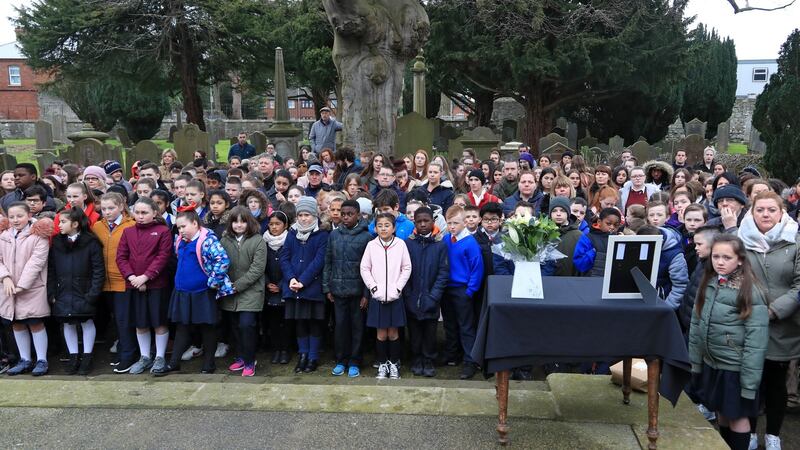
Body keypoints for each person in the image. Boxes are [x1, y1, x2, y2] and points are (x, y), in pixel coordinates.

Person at [689, 234, 768, 450]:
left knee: (738, 416)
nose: (720, 262)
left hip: (735, 367)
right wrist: (696, 362)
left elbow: (756, 340)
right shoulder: (710, 282)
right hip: (713, 363)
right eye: (716, 257)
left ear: (740, 259)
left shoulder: (750, 290)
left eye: (727, 257)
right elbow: (697, 324)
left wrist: (749, 382)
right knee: (721, 411)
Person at [738, 191, 800, 450]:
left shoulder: (795, 242)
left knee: (776, 382)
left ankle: (773, 433)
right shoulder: (740, 241)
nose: (765, 214)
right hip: (747, 321)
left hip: (782, 324)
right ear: (752, 213)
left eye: (771, 210)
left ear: (781, 212)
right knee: (750, 380)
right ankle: (750, 432)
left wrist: (774, 311)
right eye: (760, 209)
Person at [115, 197, 173, 375]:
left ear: (154, 213)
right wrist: (132, 277)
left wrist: (146, 277)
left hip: (157, 285)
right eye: (137, 212)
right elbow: (121, 257)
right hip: (133, 284)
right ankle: (145, 356)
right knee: (140, 323)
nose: (140, 216)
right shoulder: (128, 232)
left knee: (159, 321)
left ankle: (160, 357)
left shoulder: (163, 231)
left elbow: (163, 257)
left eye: (144, 212)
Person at [48, 207, 105, 375]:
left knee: (86, 322)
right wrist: (52, 293)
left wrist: (92, 294)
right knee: (67, 323)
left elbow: (98, 270)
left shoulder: (91, 242)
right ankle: (73, 356)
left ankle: (87, 356)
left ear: (75, 224)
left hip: (84, 291)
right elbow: (51, 270)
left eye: (63, 222)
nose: (59, 225)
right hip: (63, 291)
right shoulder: (57, 242)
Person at [0, 203, 54, 376]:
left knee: (35, 322)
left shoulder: (38, 236)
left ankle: (41, 359)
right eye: (12, 216)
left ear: (28, 216)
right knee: (16, 323)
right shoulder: (3, 235)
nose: (16, 220)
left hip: (31, 288)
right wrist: (5, 277)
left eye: (19, 216)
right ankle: (25, 359)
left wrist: (22, 285)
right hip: (8, 288)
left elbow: (37, 262)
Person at [359, 212, 413, 380]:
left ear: (394, 228)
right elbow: (364, 268)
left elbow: (407, 267)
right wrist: (373, 288)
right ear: (375, 228)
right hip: (378, 297)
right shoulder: (371, 245)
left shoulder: (401, 245)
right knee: (381, 334)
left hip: (395, 297)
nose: (383, 228)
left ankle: (394, 363)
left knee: (394, 333)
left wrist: (398, 288)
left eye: (387, 225)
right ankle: (382, 363)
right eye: (380, 226)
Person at [323, 200, 371, 378]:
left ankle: (355, 361)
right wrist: (327, 287)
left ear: (358, 215)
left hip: (358, 292)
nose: (345, 217)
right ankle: (341, 360)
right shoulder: (334, 236)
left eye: (350, 214)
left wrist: (366, 293)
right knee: (340, 327)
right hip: (338, 291)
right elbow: (328, 262)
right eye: (343, 214)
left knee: (357, 328)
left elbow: (369, 267)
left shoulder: (366, 237)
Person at [91, 192, 139, 373]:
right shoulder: (97, 227)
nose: (107, 212)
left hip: (123, 281)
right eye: (103, 209)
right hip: (104, 281)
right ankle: (123, 352)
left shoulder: (131, 225)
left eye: (111, 208)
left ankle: (128, 355)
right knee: (115, 320)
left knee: (124, 319)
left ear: (121, 207)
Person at [281, 197, 329, 374]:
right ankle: (303, 354)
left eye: (307, 215)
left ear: (314, 215)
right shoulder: (292, 233)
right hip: (294, 286)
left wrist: (303, 281)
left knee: (314, 322)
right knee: (300, 322)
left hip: (312, 287)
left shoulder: (322, 235)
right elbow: (285, 257)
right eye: (300, 215)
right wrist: (291, 278)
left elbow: (319, 261)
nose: (303, 218)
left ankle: (313, 355)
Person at [218, 206, 268, 377]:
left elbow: (257, 269)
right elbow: (220, 263)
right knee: (235, 327)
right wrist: (226, 284)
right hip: (229, 291)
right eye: (235, 221)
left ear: (249, 222)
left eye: (242, 221)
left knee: (247, 325)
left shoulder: (258, 240)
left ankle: (249, 360)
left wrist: (237, 285)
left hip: (251, 291)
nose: (238, 225)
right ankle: (240, 356)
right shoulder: (225, 240)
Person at [403, 206, 448, 378]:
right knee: (414, 331)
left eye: (426, 221)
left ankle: (428, 359)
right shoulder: (408, 244)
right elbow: (404, 270)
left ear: (433, 222)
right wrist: (407, 293)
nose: (422, 224)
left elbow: (443, 273)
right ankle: (416, 359)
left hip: (431, 297)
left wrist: (434, 295)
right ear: (414, 222)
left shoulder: (440, 245)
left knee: (430, 331)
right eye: (419, 221)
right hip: (412, 296)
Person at [442, 206, 484, 379]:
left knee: (466, 326)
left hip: (462, 289)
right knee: (449, 324)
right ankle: (452, 354)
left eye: (456, 223)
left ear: (464, 222)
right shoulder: (446, 239)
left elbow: (477, 268)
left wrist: (470, 291)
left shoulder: (470, 242)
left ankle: (470, 360)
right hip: (447, 288)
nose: (452, 226)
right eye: (449, 223)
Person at [263, 209, 292, 365]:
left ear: (285, 225)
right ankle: (276, 349)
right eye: (271, 224)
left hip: (285, 286)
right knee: (273, 322)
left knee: (285, 322)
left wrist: (281, 285)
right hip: (269, 288)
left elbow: (292, 265)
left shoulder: (290, 241)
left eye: (278, 224)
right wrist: (267, 283)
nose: (274, 227)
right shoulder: (264, 242)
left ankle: (285, 349)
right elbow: (260, 265)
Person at [637, 225, 688, 311]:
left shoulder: (675, 255)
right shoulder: (640, 244)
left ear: (661, 241)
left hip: (662, 302)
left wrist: (666, 308)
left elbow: (680, 285)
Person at [574, 207, 623, 277]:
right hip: (591, 281)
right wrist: (593, 253)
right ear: (599, 222)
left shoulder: (619, 240)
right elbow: (579, 264)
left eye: (616, 225)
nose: (612, 227)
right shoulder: (588, 238)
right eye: (608, 224)